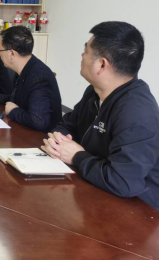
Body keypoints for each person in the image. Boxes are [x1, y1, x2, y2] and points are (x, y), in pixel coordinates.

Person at [42, 22, 159, 210]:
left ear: (102, 64)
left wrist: (77, 156)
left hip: (137, 210)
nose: (82, 56)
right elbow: (68, 124)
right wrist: (58, 141)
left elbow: (123, 181)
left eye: (86, 51)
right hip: (95, 188)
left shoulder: (136, 112)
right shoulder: (94, 92)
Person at [0, 26, 62, 132]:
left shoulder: (39, 76)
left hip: (41, 137)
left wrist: (14, 111)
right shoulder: (26, 67)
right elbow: (14, 99)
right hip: (25, 130)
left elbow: (38, 121)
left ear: (12, 53)